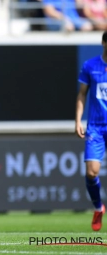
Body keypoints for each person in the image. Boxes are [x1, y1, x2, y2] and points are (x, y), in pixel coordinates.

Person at [75, 31, 107, 232]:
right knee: (91, 172)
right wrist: (78, 120)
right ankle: (98, 207)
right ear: (104, 43)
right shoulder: (90, 66)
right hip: (95, 127)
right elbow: (82, 94)